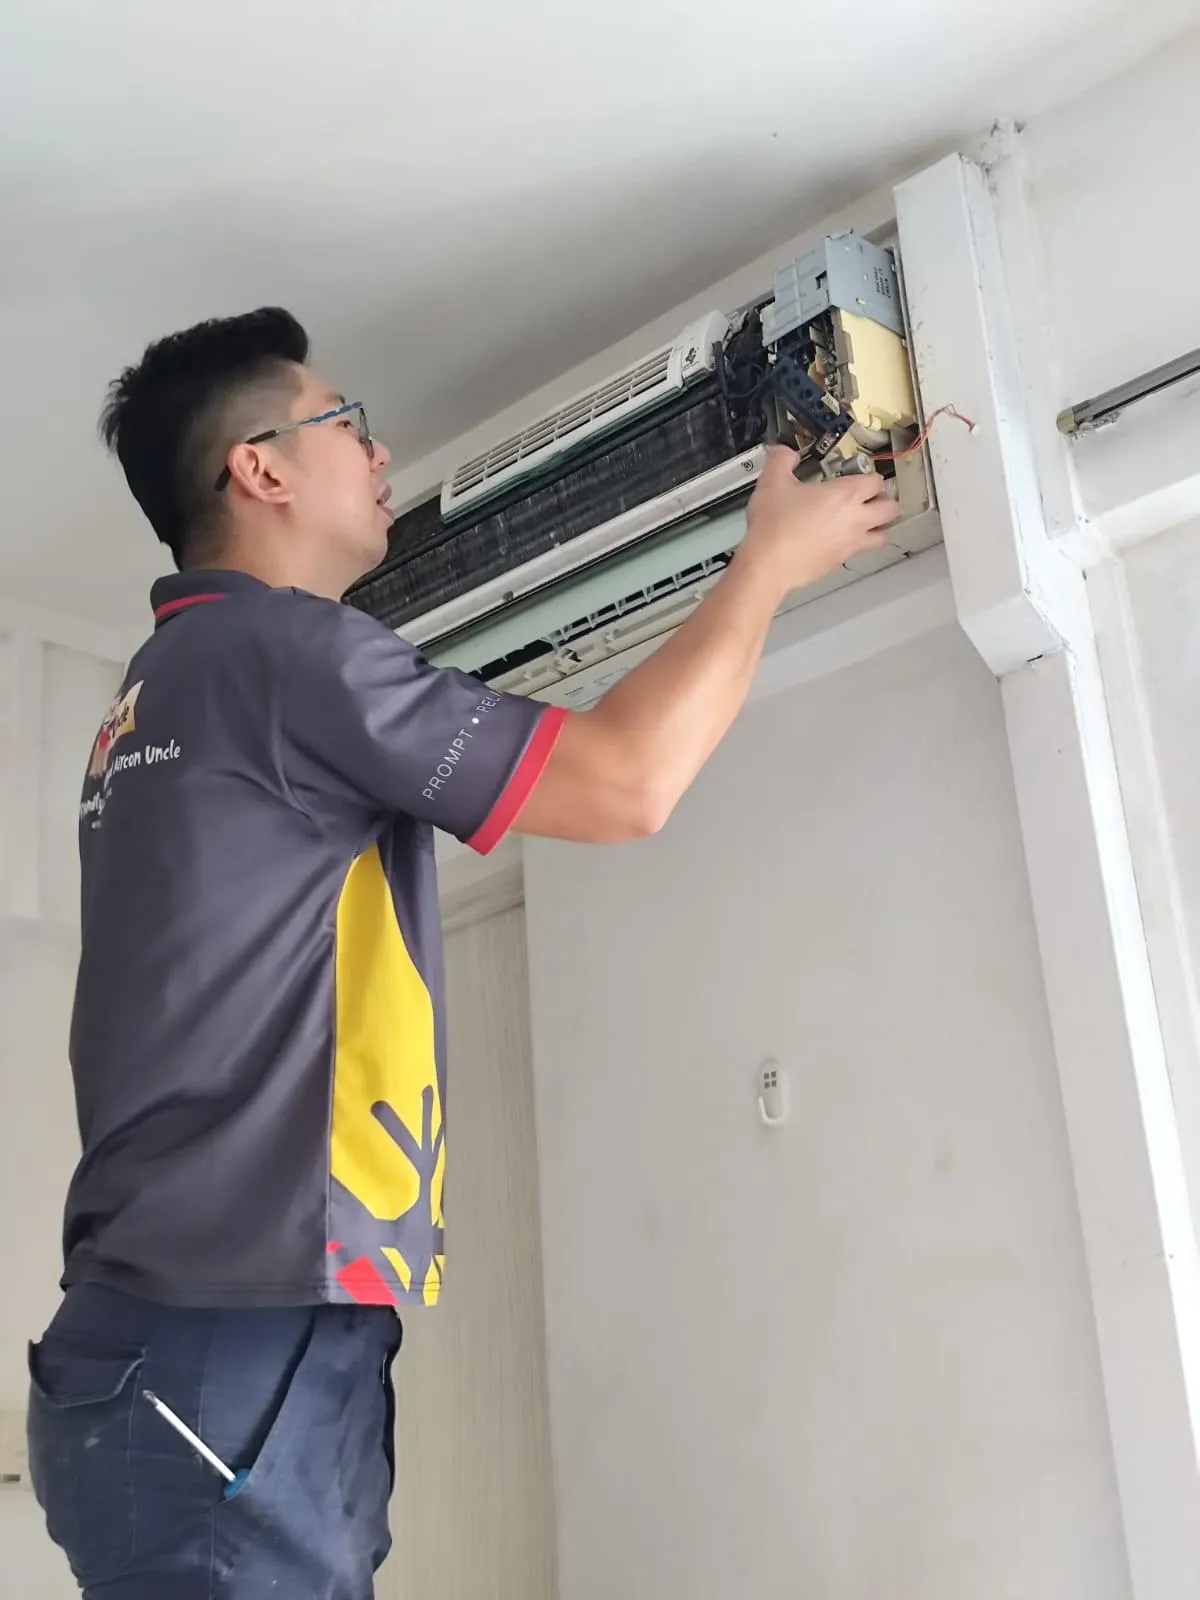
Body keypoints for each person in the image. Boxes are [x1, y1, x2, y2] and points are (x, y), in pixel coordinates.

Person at [26, 307, 898, 1598]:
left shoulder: (161, 685)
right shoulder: (278, 648)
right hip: (233, 1336)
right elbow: (623, 786)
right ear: (259, 469)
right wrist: (767, 563)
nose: (381, 454)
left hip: (158, 1344)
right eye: (347, 425)